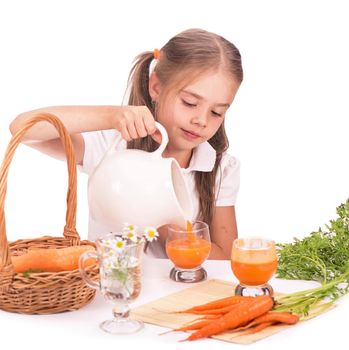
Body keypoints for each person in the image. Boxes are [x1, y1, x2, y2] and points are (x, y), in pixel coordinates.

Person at [9, 28, 243, 260]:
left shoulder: (221, 168)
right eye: (190, 103)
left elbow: (226, 259)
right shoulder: (114, 146)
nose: (201, 120)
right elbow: (24, 128)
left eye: (216, 112)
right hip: (113, 292)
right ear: (156, 87)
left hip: (184, 296)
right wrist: (111, 117)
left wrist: (167, 228)